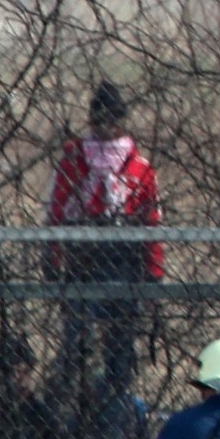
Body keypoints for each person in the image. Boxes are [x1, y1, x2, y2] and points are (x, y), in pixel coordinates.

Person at [46, 82, 162, 401]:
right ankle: (70, 406)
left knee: (120, 346)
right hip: (82, 258)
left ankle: (113, 409)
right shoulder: (73, 160)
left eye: (113, 120)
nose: (106, 127)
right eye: (100, 121)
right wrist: (54, 256)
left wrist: (153, 273)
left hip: (124, 261)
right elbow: (57, 210)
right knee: (76, 341)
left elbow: (152, 222)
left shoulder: (140, 168)